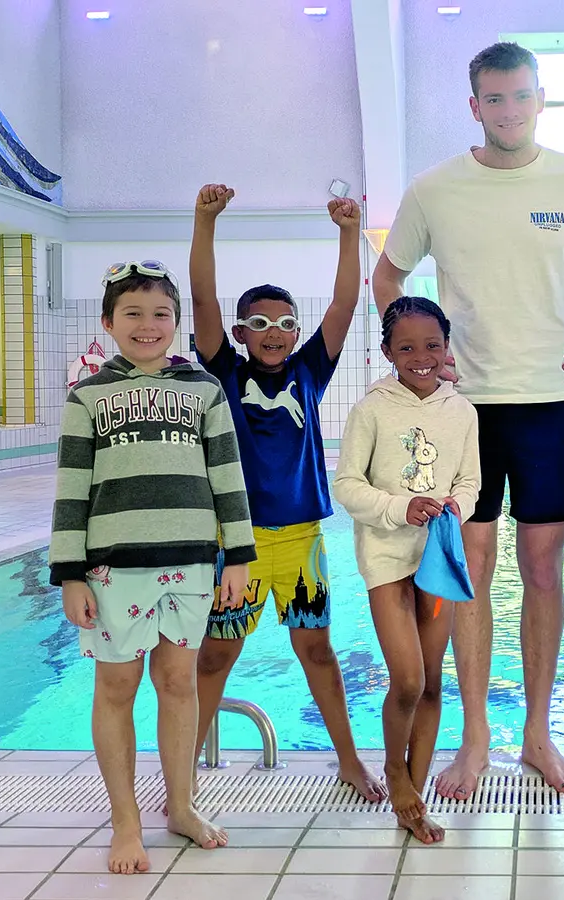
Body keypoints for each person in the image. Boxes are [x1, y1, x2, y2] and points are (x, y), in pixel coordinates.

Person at [372, 40, 564, 800]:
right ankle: (474, 737)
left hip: (548, 407)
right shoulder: (435, 190)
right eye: (494, 99)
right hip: (465, 410)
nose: (509, 110)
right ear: (474, 106)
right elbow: (388, 273)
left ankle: (536, 733)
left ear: (540, 98)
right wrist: (420, 359)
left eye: (521, 96)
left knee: (544, 571)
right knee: (473, 570)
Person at [50, 260, 256, 874]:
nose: (148, 325)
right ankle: (125, 822)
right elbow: (71, 488)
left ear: (176, 321)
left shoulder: (204, 390)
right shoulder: (87, 396)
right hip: (114, 568)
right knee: (116, 688)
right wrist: (70, 571)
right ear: (108, 322)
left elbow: (228, 477)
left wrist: (238, 555)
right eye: (132, 314)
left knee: (178, 684)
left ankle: (182, 806)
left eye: (160, 314)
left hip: (189, 563)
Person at [186, 184, 384, 802]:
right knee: (216, 658)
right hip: (235, 545)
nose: (274, 333)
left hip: (301, 541)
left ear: (296, 330)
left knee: (318, 652)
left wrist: (351, 233)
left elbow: (347, 305)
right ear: (242, 332)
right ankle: (182, 766)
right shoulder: (224, 371)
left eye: (285, 324)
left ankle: (349, 759)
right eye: (261, 324)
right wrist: (205, 221)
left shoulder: (308, 372)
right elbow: (200, 298)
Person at [333, 297, 481, 844]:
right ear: (387, 351)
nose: (421, 357)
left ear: (447, 346)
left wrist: (452, 506)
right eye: (407, 347)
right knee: (409, 679)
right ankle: (395, 768)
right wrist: (401, 507)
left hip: (437, 556)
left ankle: (413, 798)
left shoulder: (460, 411)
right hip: (387, 559)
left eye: (432, 345)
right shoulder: (373, 408)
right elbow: (347, 485)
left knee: (434, 683)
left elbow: (471, 481)